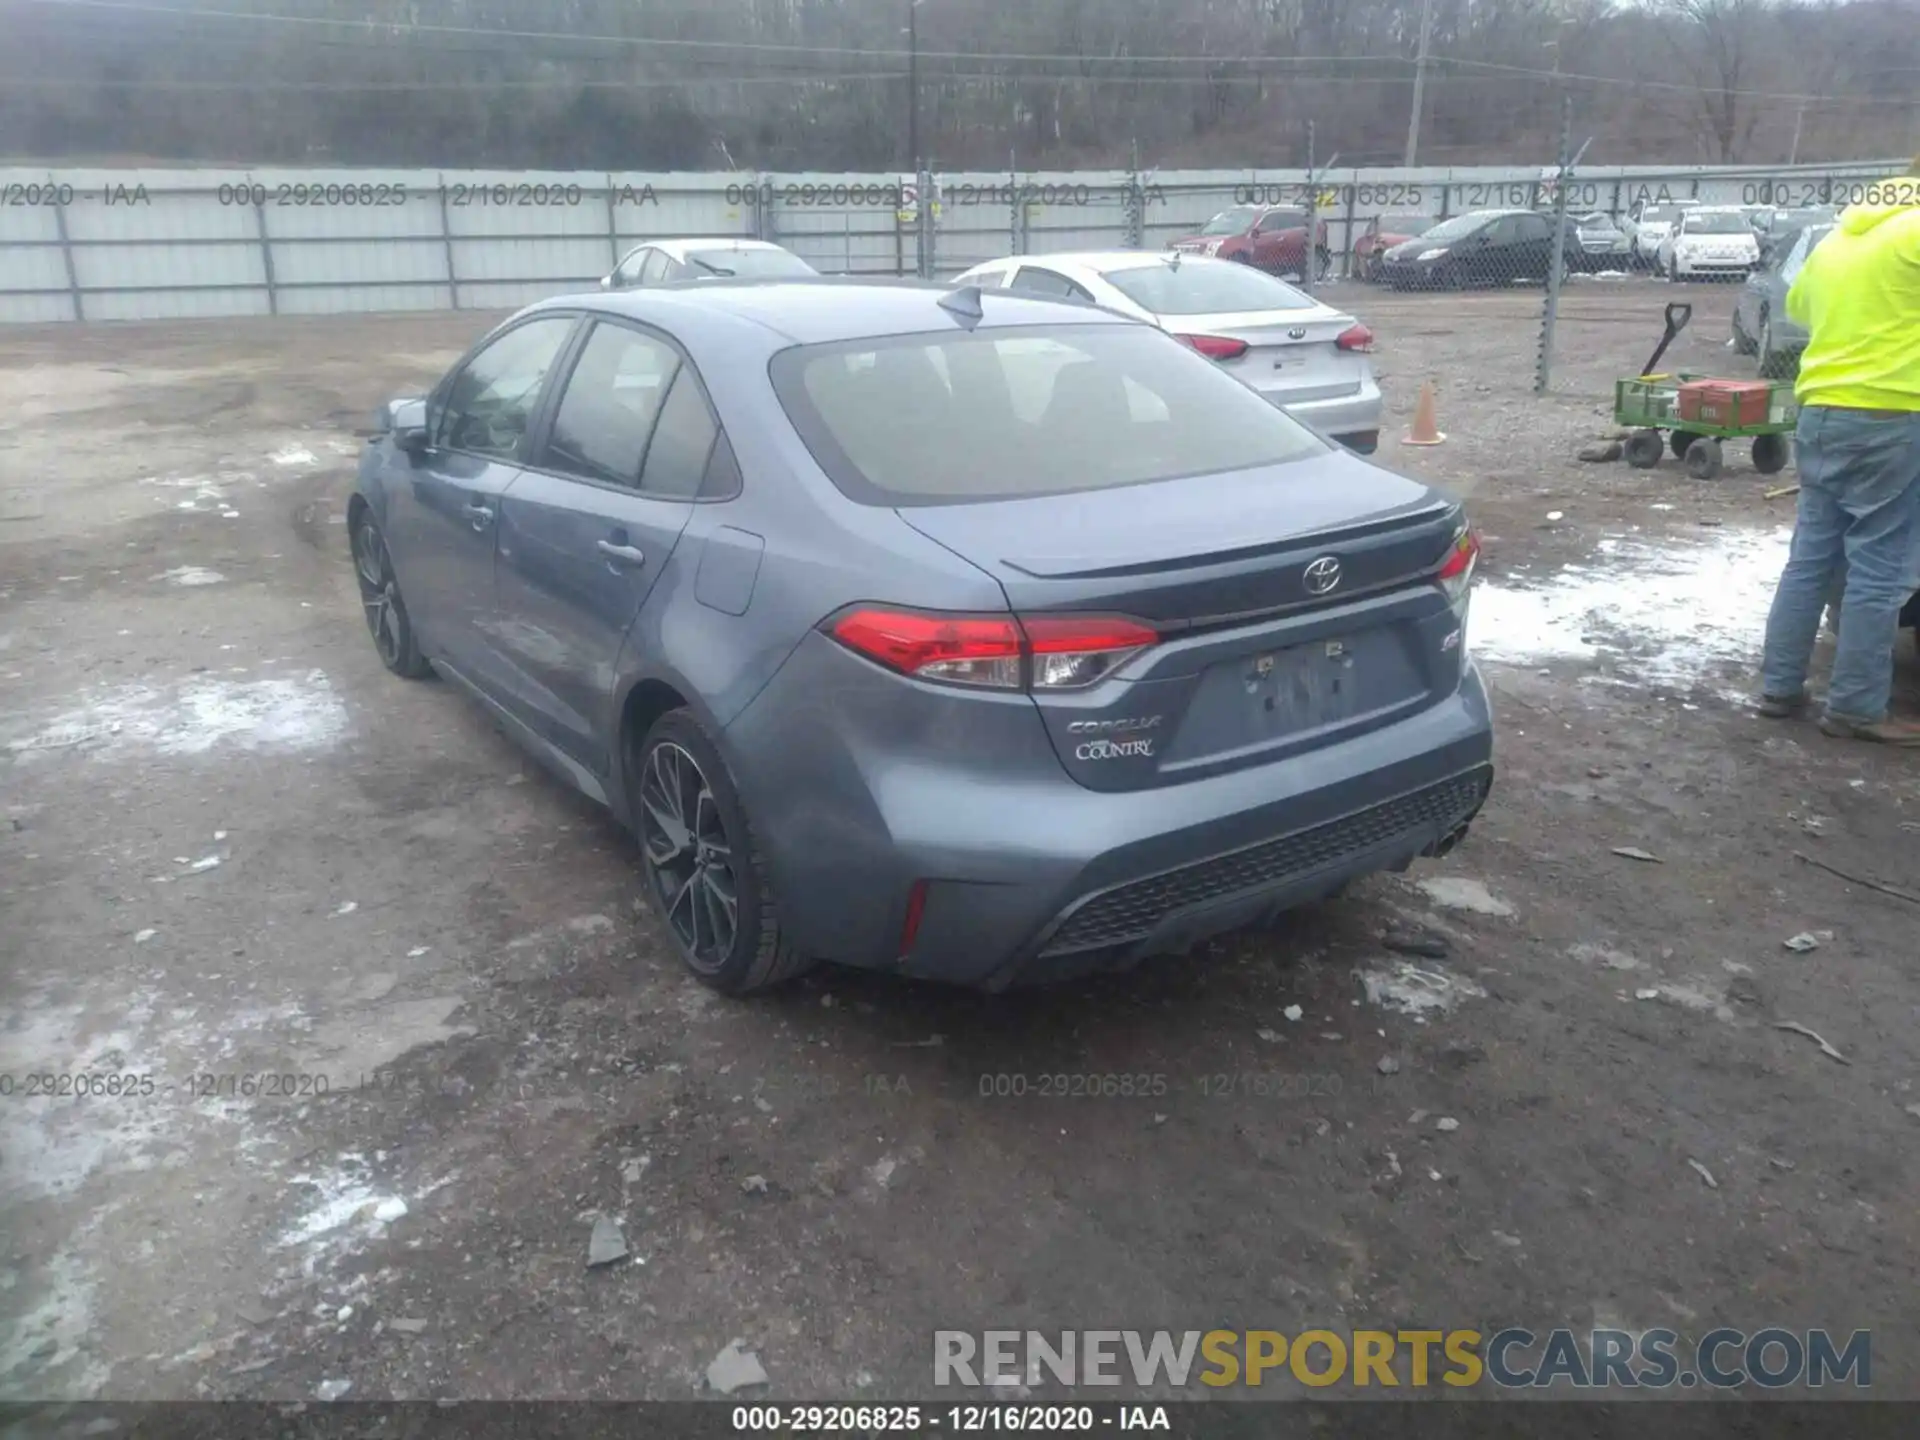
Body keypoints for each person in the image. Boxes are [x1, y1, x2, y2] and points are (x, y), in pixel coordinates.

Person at [1757, 158, 1920, 743]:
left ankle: (1779, 686)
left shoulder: (1836, 240)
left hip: (1822, 412)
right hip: (1893, 413)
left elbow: (1800, 307)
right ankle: (1854, 707)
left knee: (1812, 558)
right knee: (1879, 566)